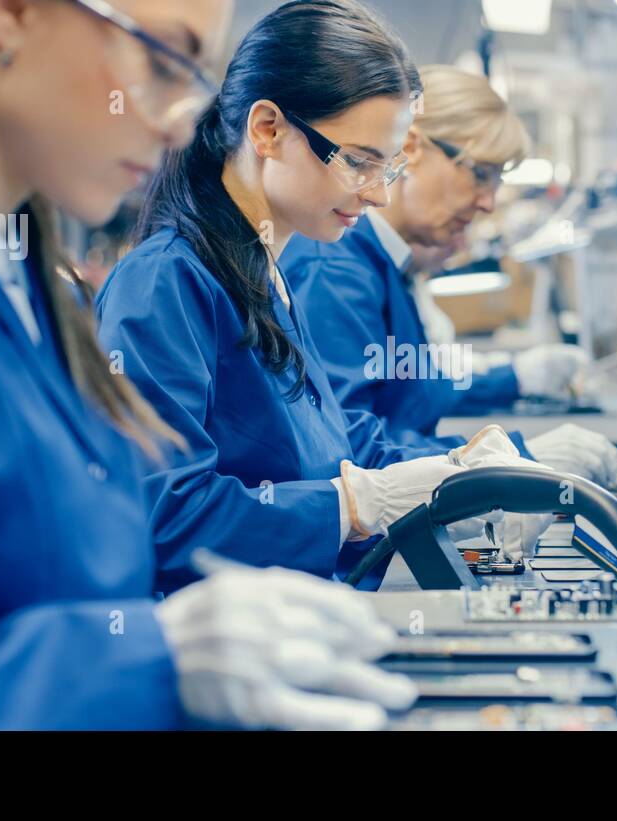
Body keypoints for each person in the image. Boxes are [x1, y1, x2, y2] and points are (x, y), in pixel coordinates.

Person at [0, 0, 414, 731]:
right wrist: (148, 660)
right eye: (164, 59)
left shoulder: (17, 267)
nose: (181, 118)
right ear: (11, 13)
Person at [97, 0, 539, 591]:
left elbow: (325, 444)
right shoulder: (165, 283)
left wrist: (455, 469)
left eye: (386, 170)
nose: (378, 195)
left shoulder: (262, 274)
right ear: (268, 129)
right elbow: (164, 515)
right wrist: (351, 506)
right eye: (359, 162)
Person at [280, 65, 617, 485]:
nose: (488, 203)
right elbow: (348, 451)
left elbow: (417, 386)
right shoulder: (335, 268)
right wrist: (506, 458)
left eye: (497, 183)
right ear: (412, 149)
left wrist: (514, 379)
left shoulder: (385, 267)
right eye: (480, 173)